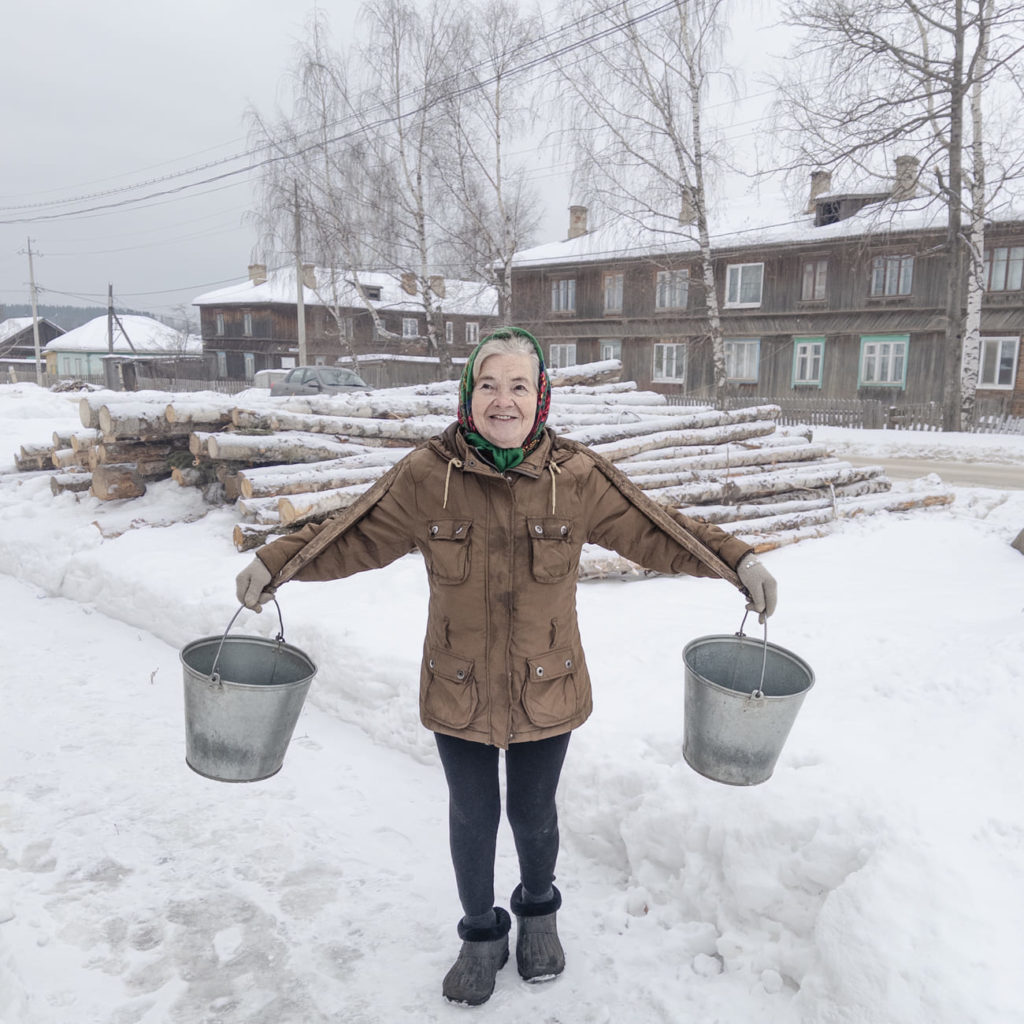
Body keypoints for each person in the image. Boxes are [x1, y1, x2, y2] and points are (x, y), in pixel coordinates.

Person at [235, 327, 777, 1006]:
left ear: (540, 395)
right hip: (457, 683)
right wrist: (274, 563)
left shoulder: (575, 477)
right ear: (469, 394)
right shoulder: (429, 475)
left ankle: (539, 912)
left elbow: (656, 527)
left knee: (532, 810)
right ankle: (480, 933)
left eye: (519, 385)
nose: (503, 400)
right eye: (489, 384)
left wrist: (738, 561)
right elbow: (354, 531)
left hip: (545, 682)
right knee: (472, 812)